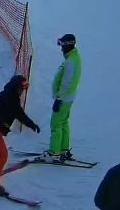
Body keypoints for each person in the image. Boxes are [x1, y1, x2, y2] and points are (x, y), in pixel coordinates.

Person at [43, 33, 82, 162]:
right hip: (69, 98)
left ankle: (54, 153)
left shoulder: (70, 62)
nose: (61, 49)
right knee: (63, 123)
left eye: (62, 46)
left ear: (68, 46)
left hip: (63, 98)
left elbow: (66, 83)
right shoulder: (75, 58)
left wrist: (59, 99)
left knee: (56, 125)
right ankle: (64, 149)